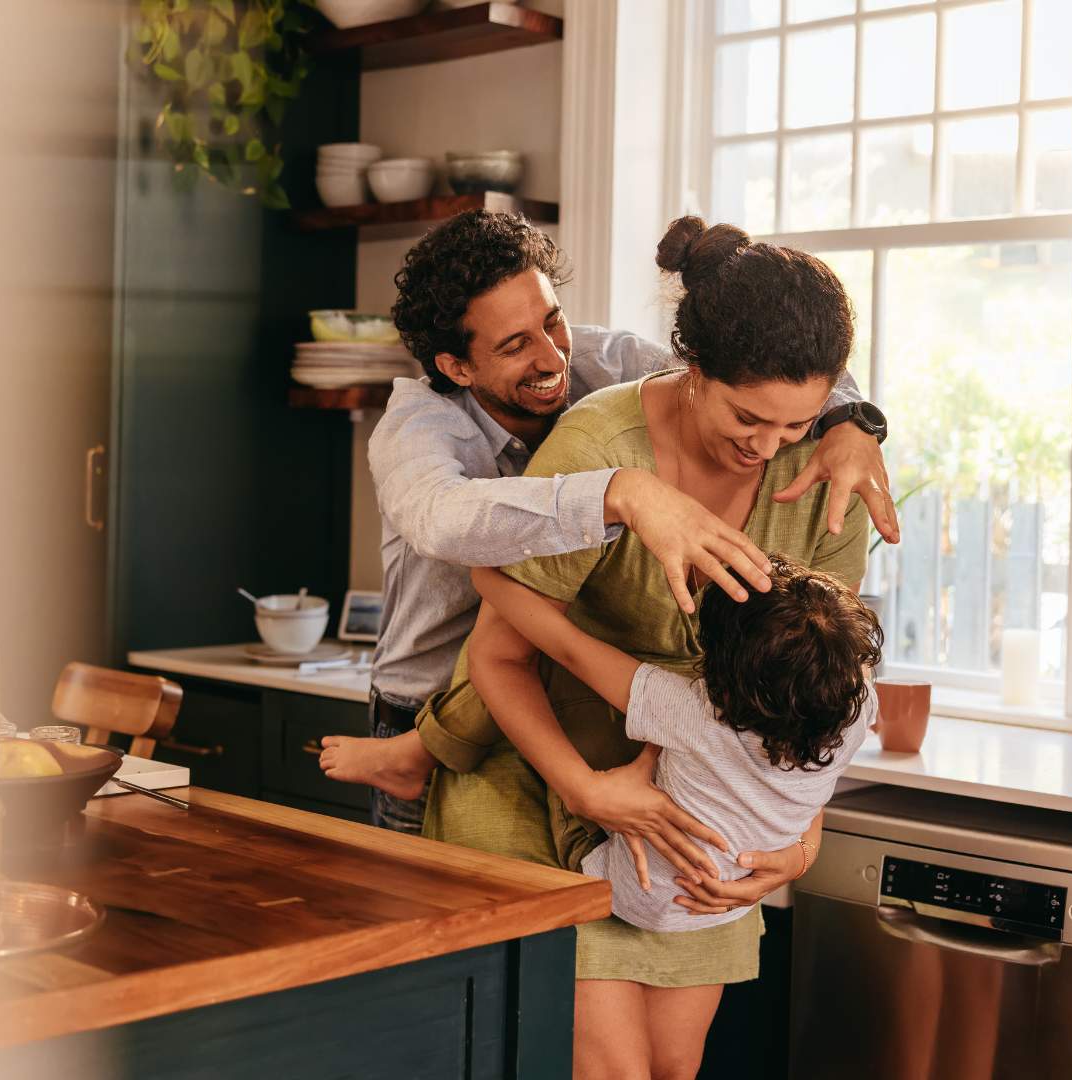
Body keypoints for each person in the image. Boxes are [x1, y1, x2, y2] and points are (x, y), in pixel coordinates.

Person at [393, 215, 874, 1079]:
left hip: (695, 824)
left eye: (800, 424)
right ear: (692, 371)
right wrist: (588, 789)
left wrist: (799, 840)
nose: (768, 448)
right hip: (540, 785)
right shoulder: (596, 443)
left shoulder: (827, 480)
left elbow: (825, 699)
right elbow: (499, 652)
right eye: (749, 417)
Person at [320, 211, 896, 852]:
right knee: (427, 936)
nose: (552, 355)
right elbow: (443, 522)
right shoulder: (417, 428)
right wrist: (621, 493)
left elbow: (765, 353)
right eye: (514, 346)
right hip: (429, 691)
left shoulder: (606, 361)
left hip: (552, 680)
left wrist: (850, 421)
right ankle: (414, 753)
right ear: (456, 366)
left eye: (552, 319)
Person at [467, 553, 880, 934]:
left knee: (562, 682)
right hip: (728, 899)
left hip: (624, 888)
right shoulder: (857, 712)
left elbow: (568, 648)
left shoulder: (692, 711)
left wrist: (485, 576)